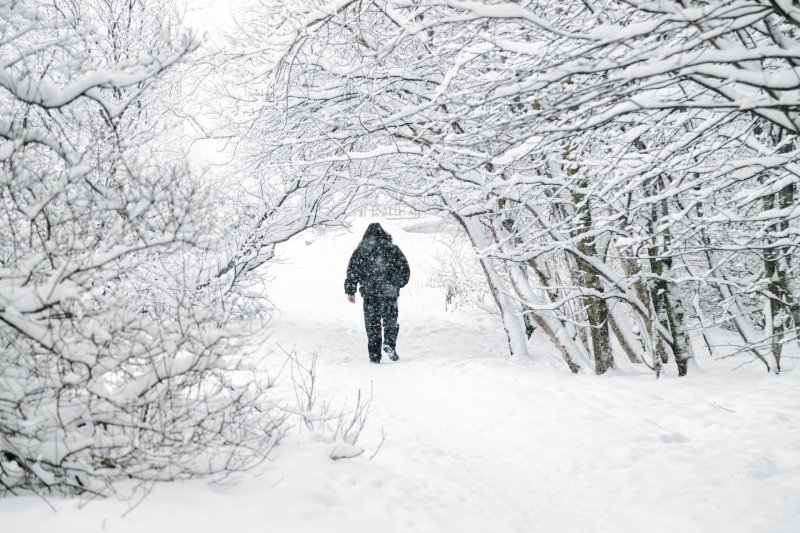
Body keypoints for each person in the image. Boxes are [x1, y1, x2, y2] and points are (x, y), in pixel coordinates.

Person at [344, 223, 410, 363]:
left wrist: (351, 290)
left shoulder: (361, 251)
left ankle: (374, 356)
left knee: (372, 325)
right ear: (383, 234)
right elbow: (405, 270)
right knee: (390, 321)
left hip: (370, 294)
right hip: (389, 293)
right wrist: (397, 282)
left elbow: (352, 271)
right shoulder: (393, 249)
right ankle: (389, 343)